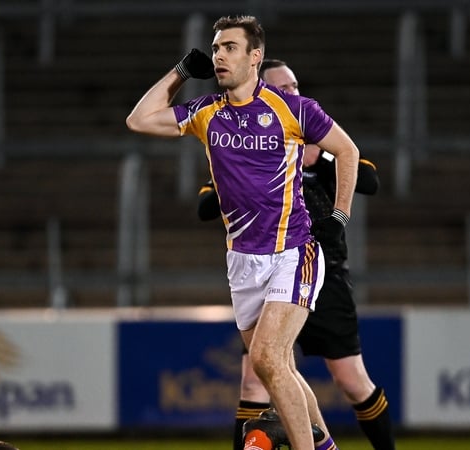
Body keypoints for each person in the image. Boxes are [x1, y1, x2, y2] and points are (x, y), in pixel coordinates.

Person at [126, 15, 360, 450]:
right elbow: (139, 120)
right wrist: (180, 71)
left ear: (255, 57)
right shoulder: (206, 112)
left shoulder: (292, 108)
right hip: (242, 261)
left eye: (229, 47)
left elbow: (347, 150)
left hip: (293, 251)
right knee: (279, 367)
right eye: (215, 48)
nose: (218, 56)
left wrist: (340, 216)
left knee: (269, 360)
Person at [198, 59, 394, 450]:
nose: (292, 93)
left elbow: (369, 179)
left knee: (350, 379)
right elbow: (205, 205)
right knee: (260, 371)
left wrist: (319, 158)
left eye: (295, 86)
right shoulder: (253, 148)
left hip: (325, 272)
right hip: (272, 267)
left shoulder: (318, 138)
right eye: (282, 88)